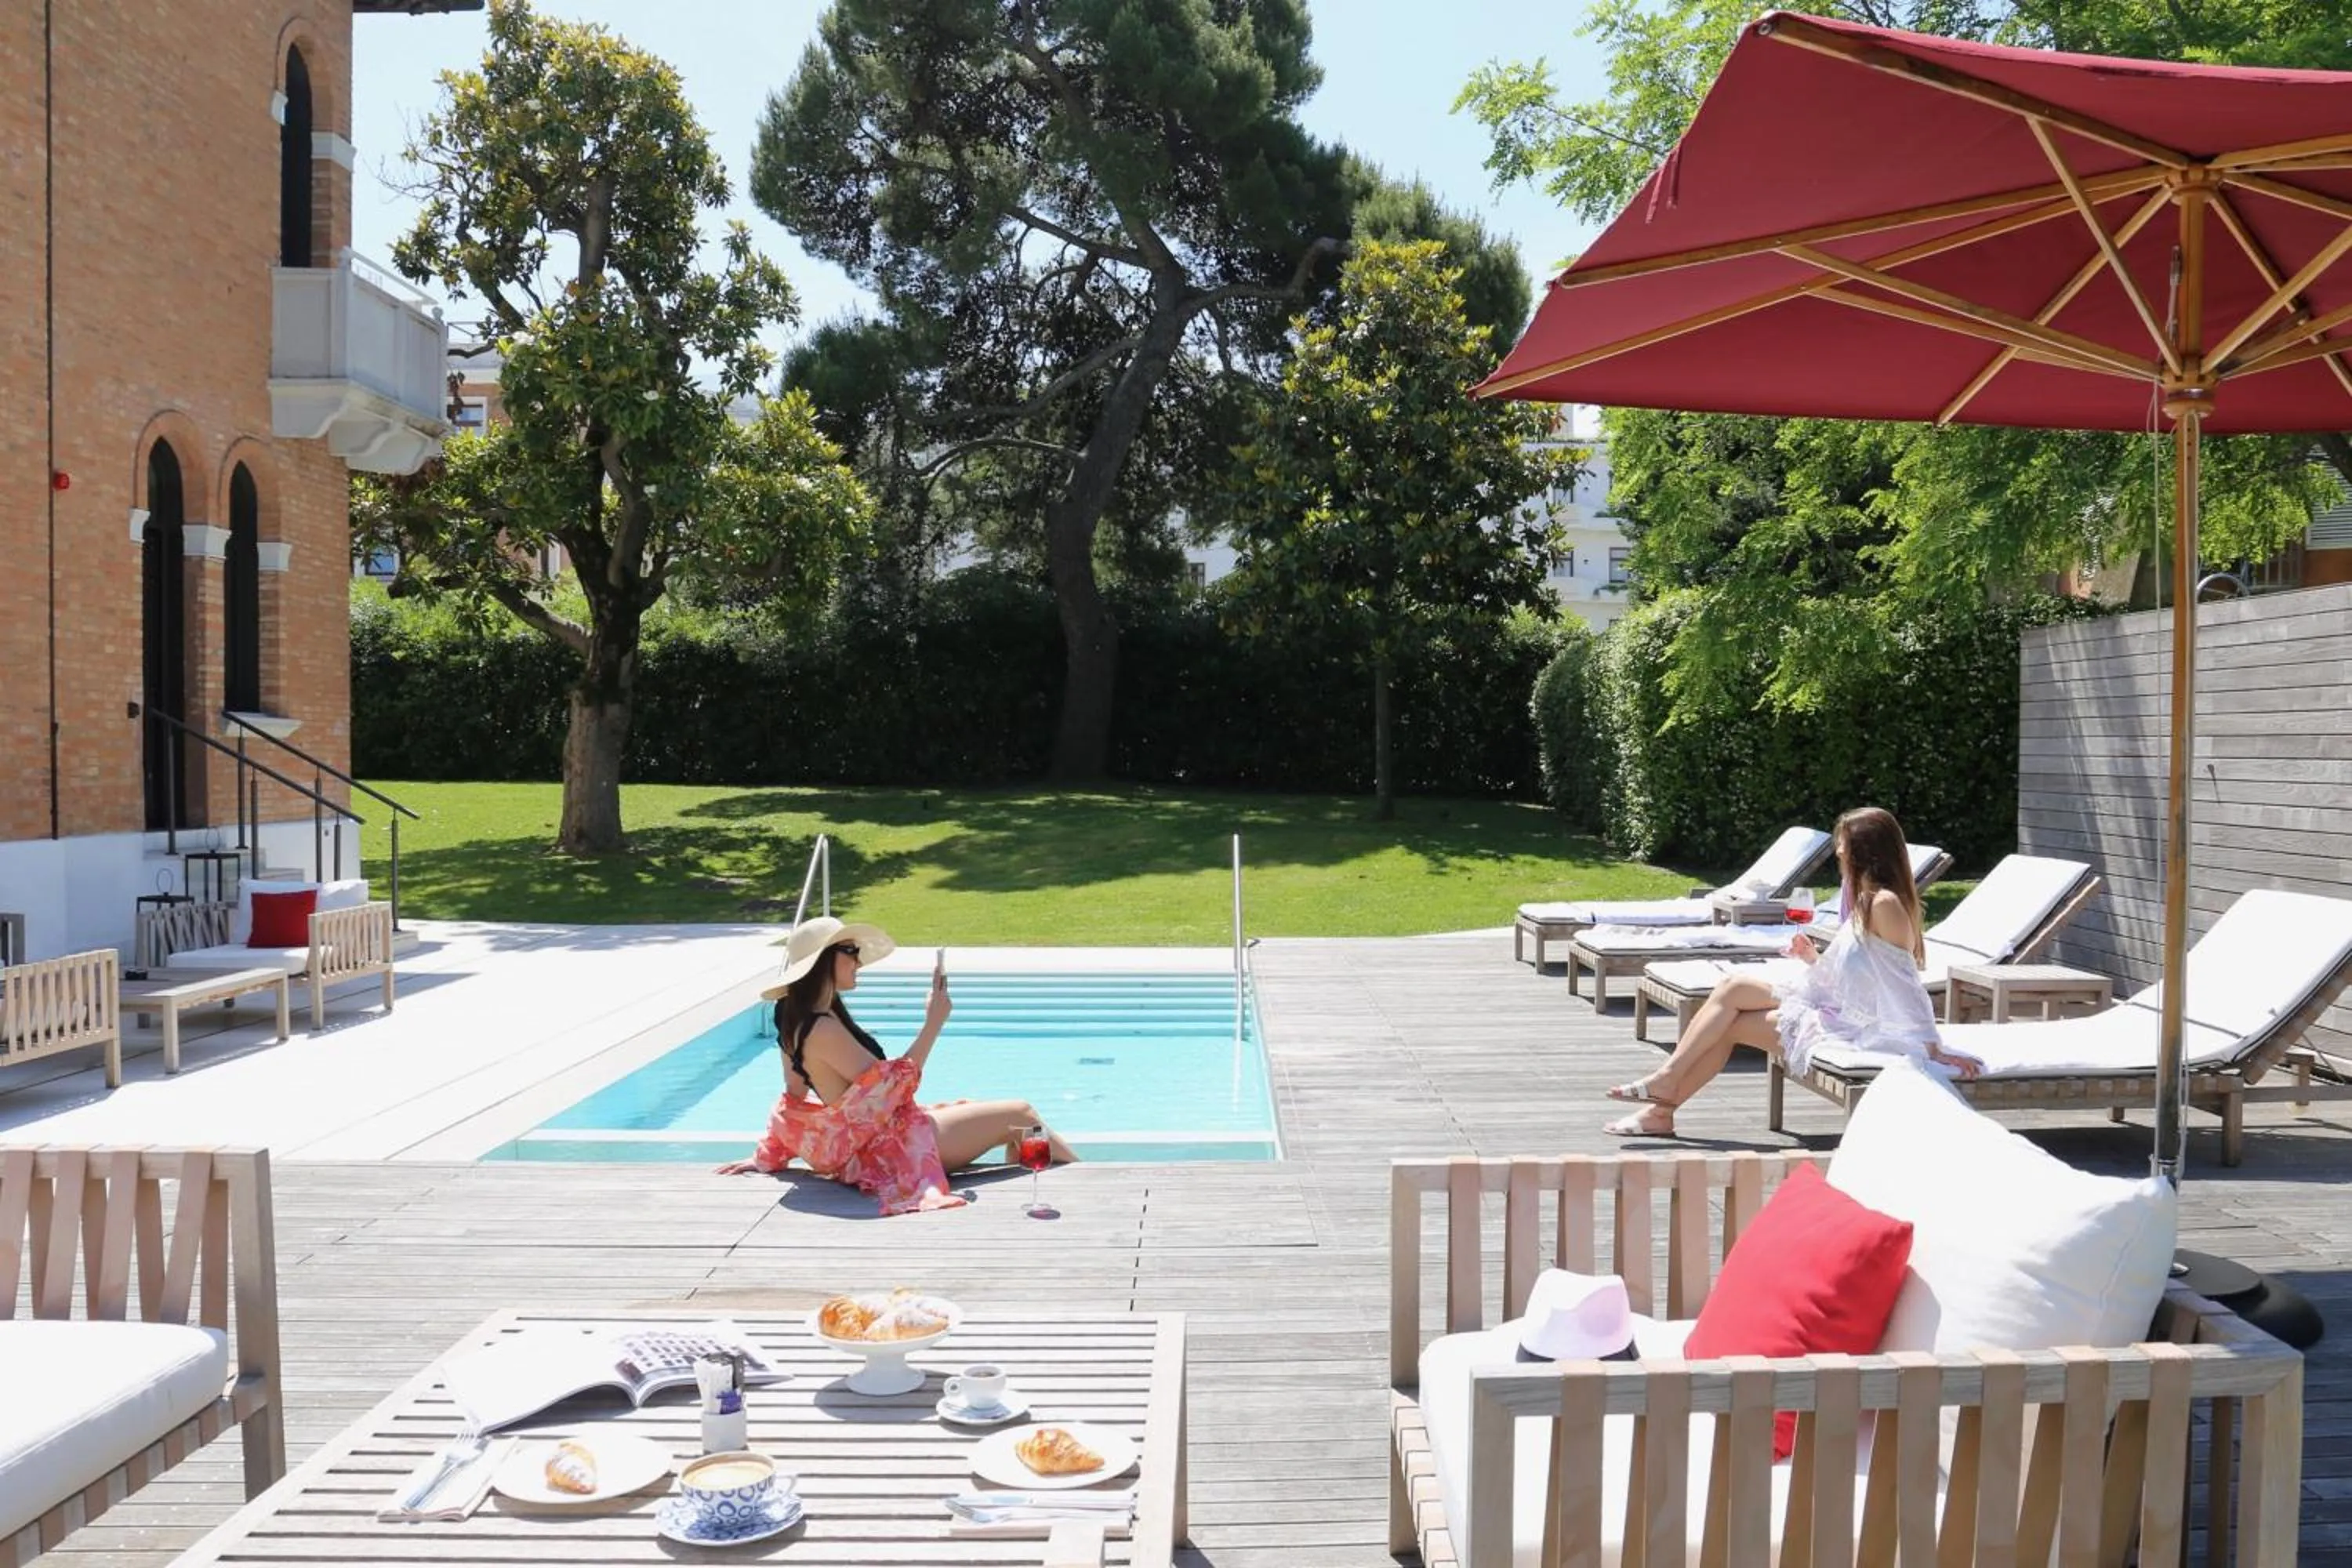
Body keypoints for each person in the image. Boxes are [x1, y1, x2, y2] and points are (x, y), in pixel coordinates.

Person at [1601, 807, 1984, 1138]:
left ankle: (1662, 1102)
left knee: (1731, 1020)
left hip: (1865, 1029)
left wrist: (1931, 1045)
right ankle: (1664, 1092)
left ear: (1863, 851)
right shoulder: (1864, 900)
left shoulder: (1883, 904)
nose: (1837, 851)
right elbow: (1860, 974)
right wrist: (1814, 959)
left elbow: (1902, 983)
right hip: (1843, 1009)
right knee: (1732, 988)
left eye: (1843, 844)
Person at [715, 916, 1077, 1214]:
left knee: (1004, 1121)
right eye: (851, 952)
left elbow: (793, 1097)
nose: (858, 961)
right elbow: (892, 1089)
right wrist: (934, 1022)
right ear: (824, 960)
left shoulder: (793, 1017)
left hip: (873, 1147)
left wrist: (768, 1154)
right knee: (1022, 1115)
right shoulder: (822, 1028)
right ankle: (1085, 1179)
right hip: (897, 1149)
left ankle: (1038, 1183)